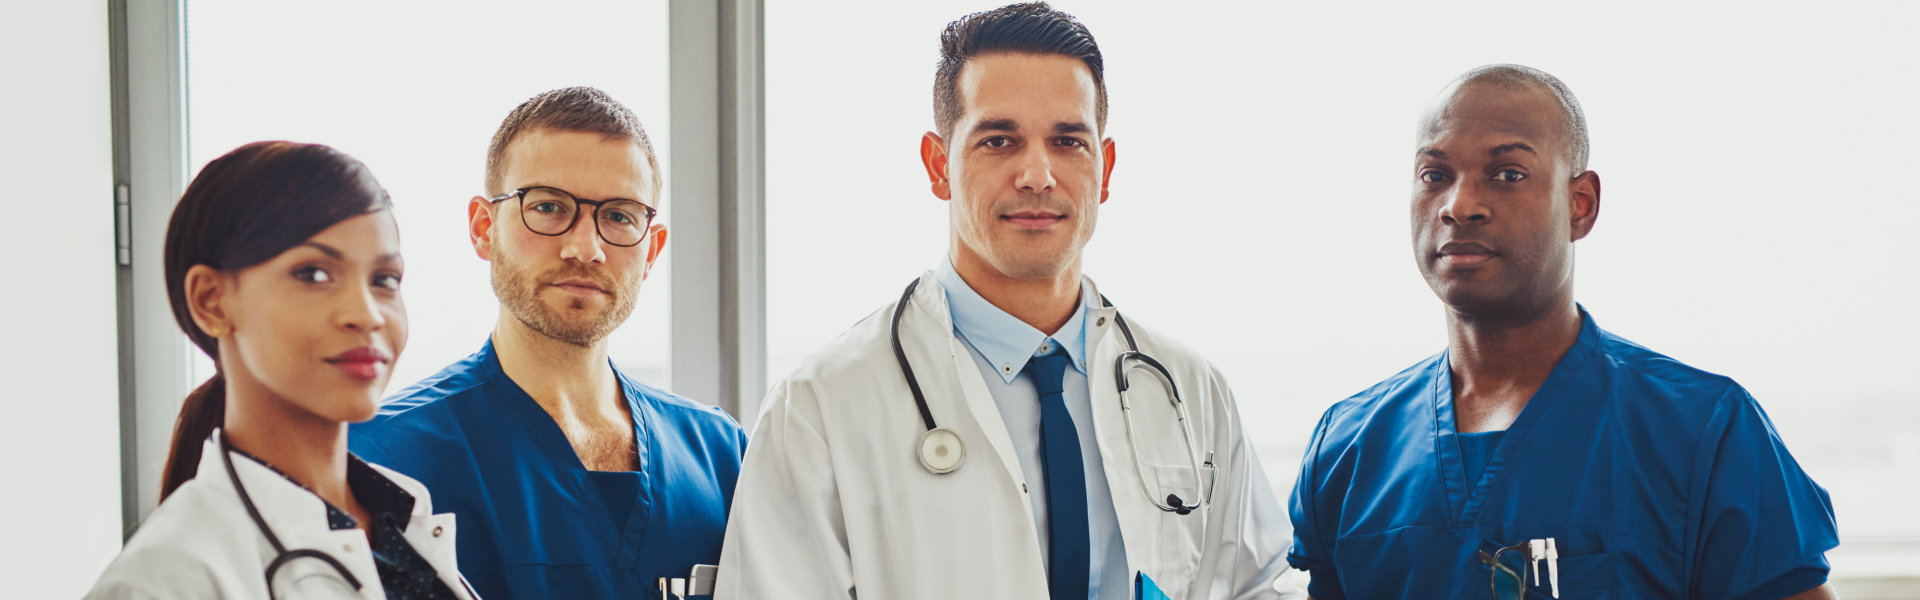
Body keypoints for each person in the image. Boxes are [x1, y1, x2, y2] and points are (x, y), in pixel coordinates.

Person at [717, 4, 1301, 599]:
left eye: (1068, 141)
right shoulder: (818, 408)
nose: (1038, 174)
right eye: (1000, 140)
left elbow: (1258, 585)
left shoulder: (1192, 391)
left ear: (1105, 170)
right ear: (938, 164)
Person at [1285, 65, 1839, 599]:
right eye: (1435, 176)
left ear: (1580, 205)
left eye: (1507, 175)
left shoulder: (1706, 431)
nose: (1460, 205)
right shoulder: (1347, 447)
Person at [348, 86, 746, 599]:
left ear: (652, 250)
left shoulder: (721, 458)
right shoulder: (385, 461)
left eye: (619, 215)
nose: (585, 248)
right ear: (483, 228)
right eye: (550, 207)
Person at [87, 141, 476, 598]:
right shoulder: (166, 577)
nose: (367, 314)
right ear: (211, 301)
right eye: (313, 274)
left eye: (384, 280)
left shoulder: (402, 512)